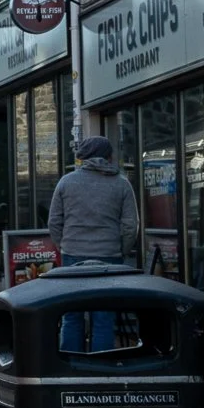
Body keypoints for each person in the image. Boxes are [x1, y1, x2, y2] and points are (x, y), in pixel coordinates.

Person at [49, 136, 142, 351]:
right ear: (108, 157)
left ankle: (72, 363)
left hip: (73, 254)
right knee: (104, 317)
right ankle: (101, 366)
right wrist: (121, 250)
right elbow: (130, 226)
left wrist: (63, 244)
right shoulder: (121, 183)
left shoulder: (67, 182)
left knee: (72, 314)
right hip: (108, 255)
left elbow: (54, 221)